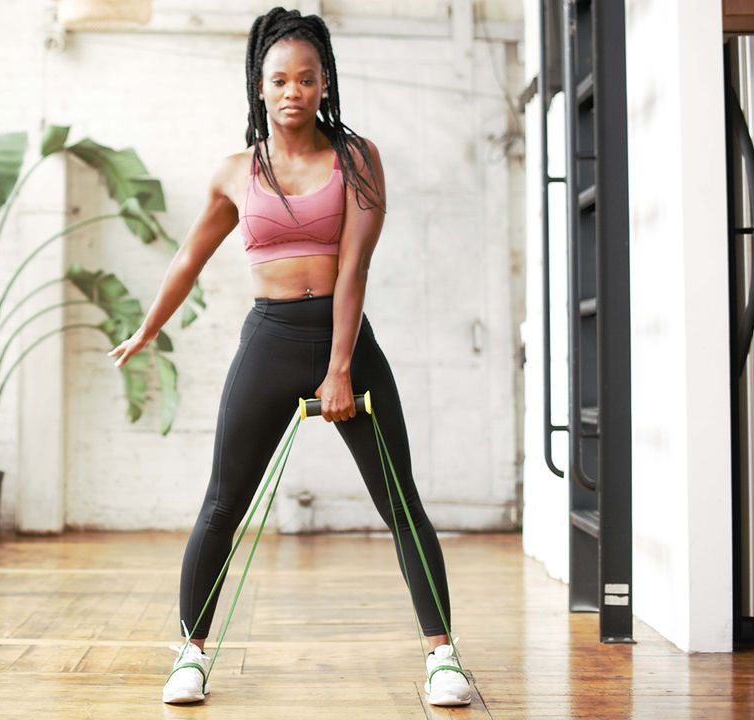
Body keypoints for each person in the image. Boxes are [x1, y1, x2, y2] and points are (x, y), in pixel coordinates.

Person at [106, 6, 473, 709]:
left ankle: (443, 656)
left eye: (306, 79)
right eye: (279, 80)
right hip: (269, 340)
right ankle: (191, 652)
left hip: (346, 340)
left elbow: (355, 269)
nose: (292, 91)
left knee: (401, 504)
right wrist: (149, 327)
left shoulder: (358, 159)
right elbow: (188, 257)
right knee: (222, 504)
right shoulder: (235, 172)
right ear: (260, 86)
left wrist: (340, 369)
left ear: (325, 85)